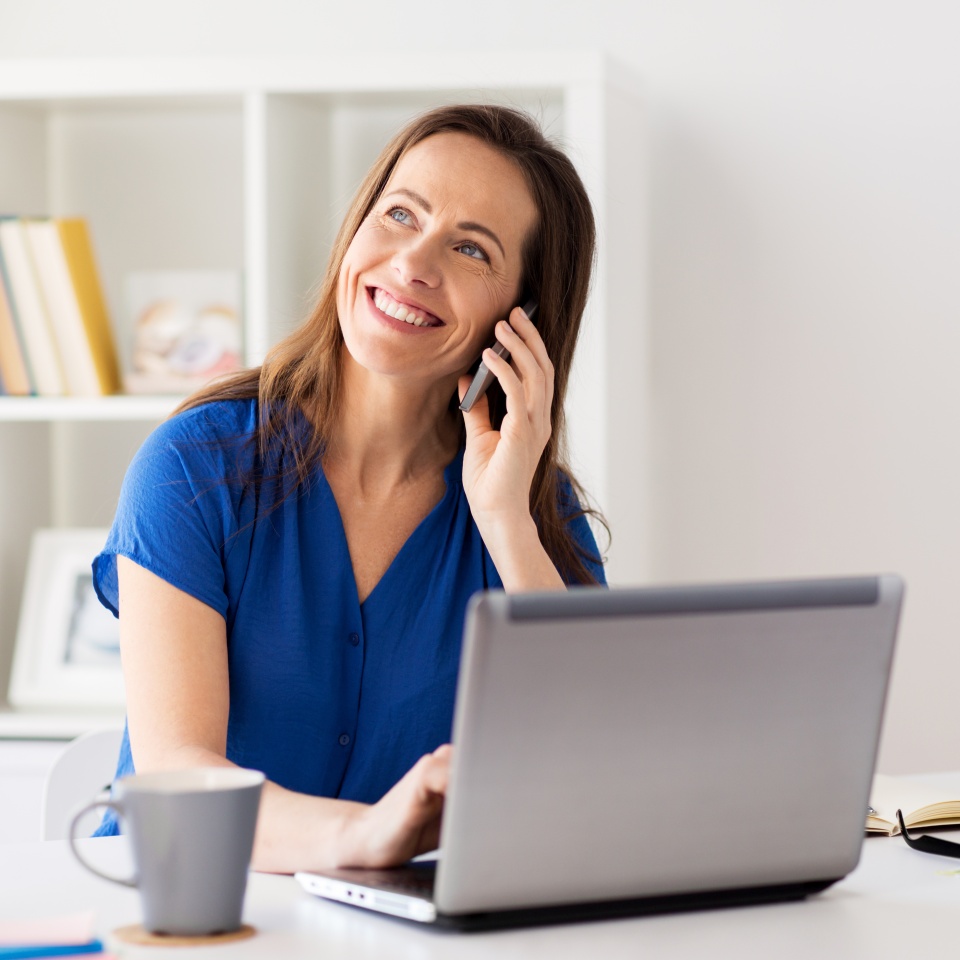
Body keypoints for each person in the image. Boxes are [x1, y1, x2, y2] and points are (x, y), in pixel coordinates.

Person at [91, 103, 608, 873]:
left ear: (521, 319)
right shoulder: (196, 467)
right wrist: (360, 836)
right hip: (191, 910)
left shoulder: (533, 514)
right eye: (401, 214)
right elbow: (177, 776)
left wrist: (505, 521)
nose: (413, 263)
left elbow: (593, 773)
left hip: (396, 927)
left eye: (471, 248)